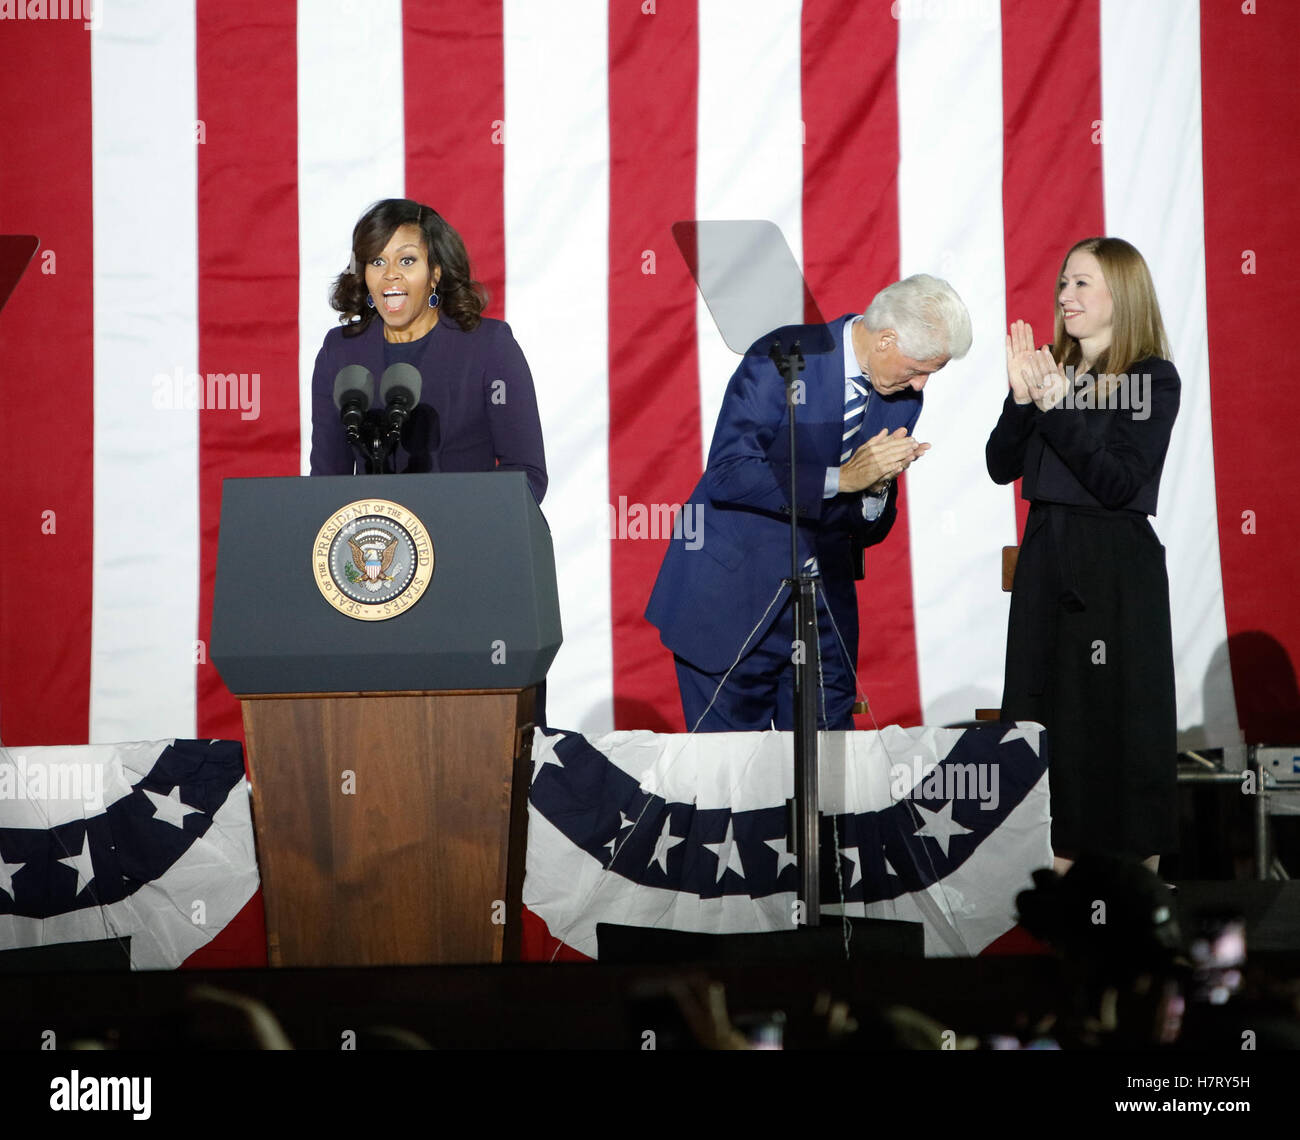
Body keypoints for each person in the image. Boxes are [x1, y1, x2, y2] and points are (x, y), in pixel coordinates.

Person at [645, 275, 972, 732]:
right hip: (730, 601)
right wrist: (843, 478)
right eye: (920, 368)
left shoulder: (899, 397)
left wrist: (877, 490)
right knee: (735, 787)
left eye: (930, 375)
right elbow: (728, 474)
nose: (920, 386)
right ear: (886, 339)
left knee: (831, 783)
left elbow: (865, 529)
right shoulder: (785, 355)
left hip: (823, 613)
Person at [986, 236, 1180, 874]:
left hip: (1112, 572)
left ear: (1121, 296)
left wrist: (1055, 405)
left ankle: (1134, 900)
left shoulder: (1151, 377)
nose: (1065, 296)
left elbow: (1119, 484)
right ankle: (1062, 901)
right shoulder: (1051, 370)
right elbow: (999, 466)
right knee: (1048, 724)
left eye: (1082, 284)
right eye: (1063, 283)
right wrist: (1022, 400)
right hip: (1048, 563)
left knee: (1117, 726)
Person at [309, 198, 546, 503]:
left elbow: (527, 474)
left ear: (435, 272)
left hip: (465, 538)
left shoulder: (490, 348)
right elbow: (326, 483)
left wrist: (445, 514)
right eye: (377, 262)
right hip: (371, 545)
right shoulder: (340, 352)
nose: (390, 274)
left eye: (406, 260)